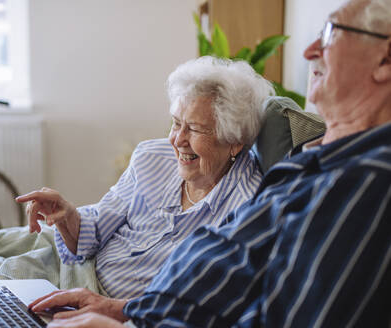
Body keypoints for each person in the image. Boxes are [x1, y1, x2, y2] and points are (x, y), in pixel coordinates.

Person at [27, 0, 391, 326]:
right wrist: (123, 312)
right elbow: (227, 273)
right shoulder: (311, 165)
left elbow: (278, 309)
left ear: (385, 60)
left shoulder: (367, 180)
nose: (310, 50)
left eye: (330, 35)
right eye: (175, 123)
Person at [16, 57, 274, 299]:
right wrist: (67, 216)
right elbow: (94, 230)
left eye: (194, 129)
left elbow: (204, 305)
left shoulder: (246, 210)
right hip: (73, 267)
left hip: (104, 308)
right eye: (176, 123)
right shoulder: (152, 157)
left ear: (234, 142)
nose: (178, 139)